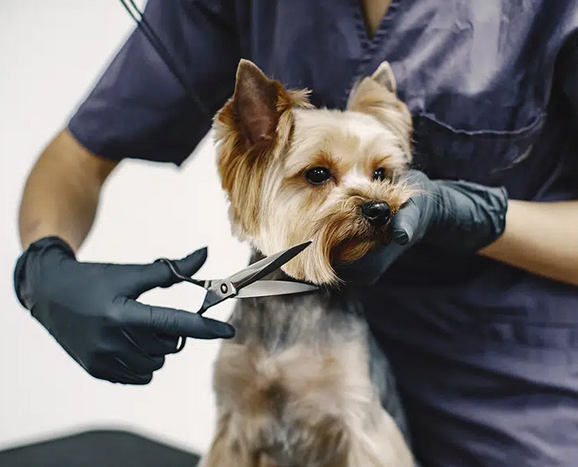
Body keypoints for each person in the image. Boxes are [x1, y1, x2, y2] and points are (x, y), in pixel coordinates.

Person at [13, 0, 578, 465]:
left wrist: (472, 213)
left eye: (382, 174)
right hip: (284, 320)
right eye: (317, 175)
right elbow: (74, 161)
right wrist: (45, 267)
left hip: (511, 392)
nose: (372, 197)